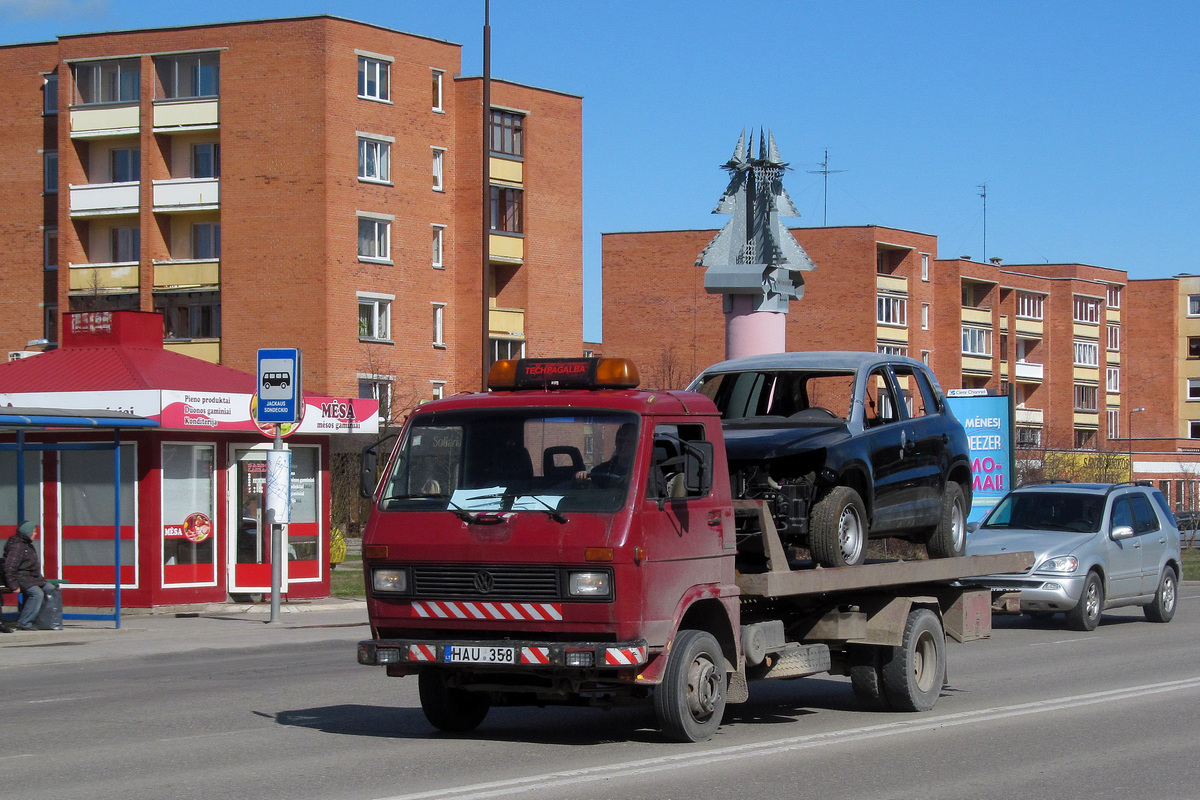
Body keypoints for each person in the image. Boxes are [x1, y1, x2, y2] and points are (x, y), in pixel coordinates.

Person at [3, 520, 62, 631]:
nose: (35, 534)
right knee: (37, 593)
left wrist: (42, 580)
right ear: (27, 532)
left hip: (31, 577)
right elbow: (9, 567)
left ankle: (47, 621)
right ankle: (24, 622)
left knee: (50, 588)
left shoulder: (27, 545)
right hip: (20, 578)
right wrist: (13, 585)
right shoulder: (17, 547)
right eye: (34, 532)